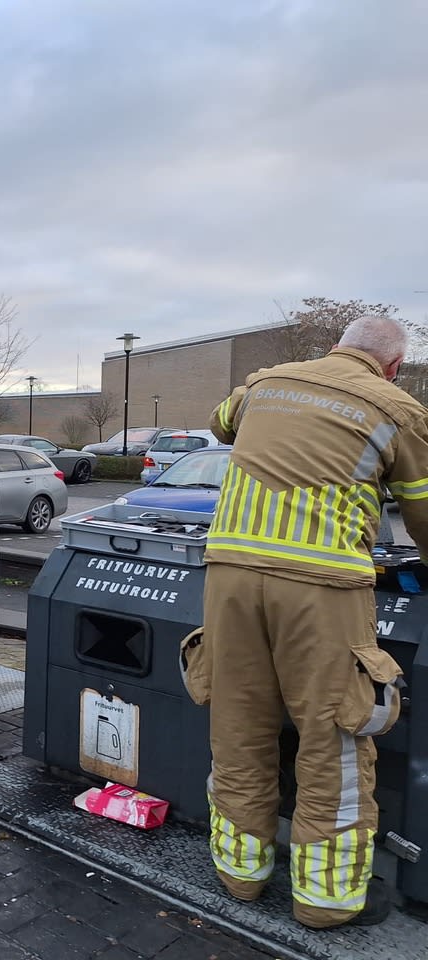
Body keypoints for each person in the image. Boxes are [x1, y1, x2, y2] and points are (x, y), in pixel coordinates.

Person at [199, 314, 428, 929]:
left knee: (239, 722)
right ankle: (326, 901)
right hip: (323, 589)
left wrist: (262, 383)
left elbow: (220, 425)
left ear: (334, 348)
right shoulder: (399, 408)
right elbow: (424, 514)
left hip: (229, 577)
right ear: (393, 365)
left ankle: (239, 873)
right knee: (334, 736)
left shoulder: (267, 383)